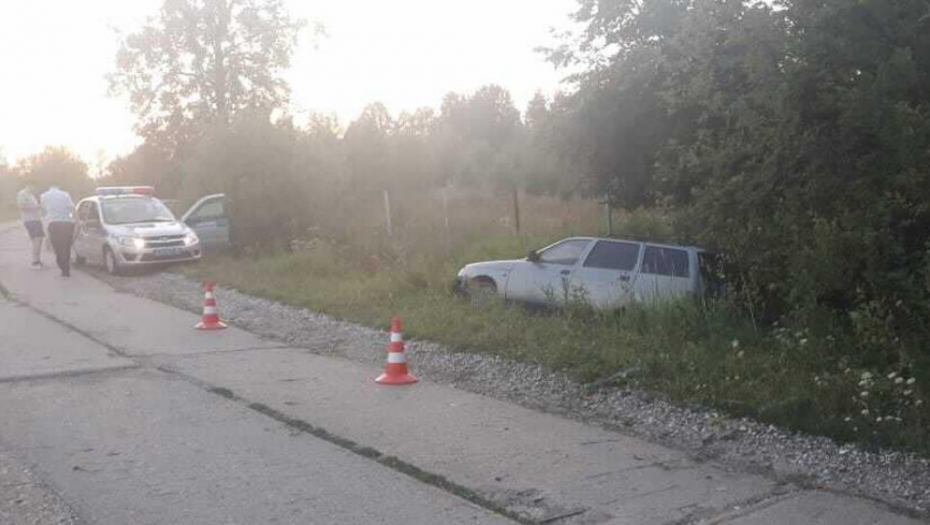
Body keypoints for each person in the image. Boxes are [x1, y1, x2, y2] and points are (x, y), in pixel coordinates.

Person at [40, 185, 75, 277]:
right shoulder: (66, 194)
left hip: (54, 224)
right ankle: (66, 268)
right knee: (67, 246)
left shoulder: (43, 196)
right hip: (67, 223)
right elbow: (71, 207)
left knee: (58, 247)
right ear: (59, 186)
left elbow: (44, 210)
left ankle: (63, 266)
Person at [16, 183, 44, 269]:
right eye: (33, 186)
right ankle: (35, 262)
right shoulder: (22, 194)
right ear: (29, 185)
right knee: (37, 239)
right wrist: (37, 207)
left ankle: (37, 260)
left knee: (38, 240)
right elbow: (21, 206)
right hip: (30, 219)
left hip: (36, 219)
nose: (35, 188)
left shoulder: (31, 195)